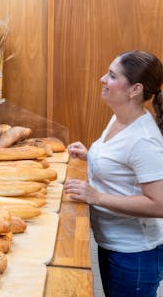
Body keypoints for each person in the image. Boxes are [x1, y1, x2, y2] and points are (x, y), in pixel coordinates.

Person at [63, 50, 163, 297]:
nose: (102, 79)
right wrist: (92, 156)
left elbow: (159, 204)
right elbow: (124, 164)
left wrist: (97, 197)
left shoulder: (144, 140)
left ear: (134, 89)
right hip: (111, 242)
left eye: (111, 75)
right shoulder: (120, 118)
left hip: (135, 254)